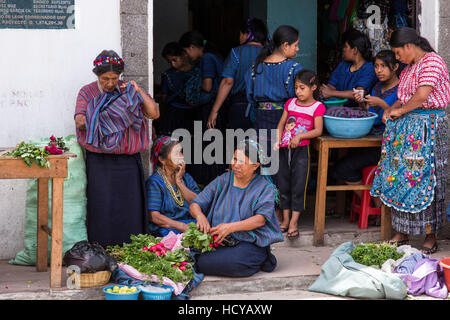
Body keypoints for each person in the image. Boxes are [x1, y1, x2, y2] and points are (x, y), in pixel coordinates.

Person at [371, 27, 450, 254]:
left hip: (428, 130)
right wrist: (391, 110)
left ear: (408, 46)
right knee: (402, 180)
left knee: (427, 180)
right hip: (407, 132)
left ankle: (430, 236)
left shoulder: (432, 62)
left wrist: (401, 110)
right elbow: (402, 98)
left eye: (397, 53)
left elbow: (422, 96)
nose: (397, 58)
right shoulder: (409, 68)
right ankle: (402, 232)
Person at [74, 50, 160, 247]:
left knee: (130, 208)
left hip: (128, 161)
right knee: (101, 208)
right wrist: (113, 117)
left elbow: (153, 113)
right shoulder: (87, 92)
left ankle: (130, 250)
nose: (110, 83)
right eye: (105, 79)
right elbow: (80, 121)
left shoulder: (128, 91)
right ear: (97, 75)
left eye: (114, 78)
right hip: (99, 161)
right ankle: (102, 250)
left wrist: (138, 92)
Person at [189, 138, 284, 277]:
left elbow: (260, 220)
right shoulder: (224, 179)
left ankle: (260, 257)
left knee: (235, 262)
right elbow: (196, 204)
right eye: (234, 159)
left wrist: (230, 227)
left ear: (255, 165)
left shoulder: (265, 188)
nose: (235, 165)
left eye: (241, 162)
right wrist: (200, 216)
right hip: (219, 241)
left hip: (248, 242)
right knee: (192, 251)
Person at [333, 50, 400, 204]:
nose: (379, 70)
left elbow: (395, 116)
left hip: (386, 146)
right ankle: (371, 206)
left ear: (395, 67)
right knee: (342, 163)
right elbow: (369, 114)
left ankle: (373, 207)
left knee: (343, 168)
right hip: (369, 140)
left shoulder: (401, 90)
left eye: (383, 66)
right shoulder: (376, 87)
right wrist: (361, 102)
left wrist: (381, 103)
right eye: (376, 66)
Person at [273, 70, 325, 239]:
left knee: (298, 186)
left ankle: (294, 222)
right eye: (296, 88)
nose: (298, 92)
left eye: (302, 88)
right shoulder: (291, 103)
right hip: (284, 149)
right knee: (283, 185)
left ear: (313, 87)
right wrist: (277, 140)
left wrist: (300, 136)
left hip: (301, 151)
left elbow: (318, 130)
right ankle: (286, 220)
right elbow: (281, 123)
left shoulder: (317, 107)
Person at [179, 31, 225, 186]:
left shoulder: (206, 58)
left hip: (209, 108)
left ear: (192, 47)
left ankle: (207, 185)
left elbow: (207, 86)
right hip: (217, 108)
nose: (186, 56)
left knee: (208, 149)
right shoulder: (215, 57)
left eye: (185, 52)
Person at [207, 18, 268, 131]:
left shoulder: (237, 52)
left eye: (240, 34)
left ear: (247, 35)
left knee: (237, 146)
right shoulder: (270, 53)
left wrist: (214, 110)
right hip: (265, 108)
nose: (239, 37)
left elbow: (227, 81)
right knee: (262, 146)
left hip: (240, 106)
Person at [146, 136, 200, 237]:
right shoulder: (155, 182)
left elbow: (199, 203)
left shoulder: (186, 178)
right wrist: (182, 226)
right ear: (162, 160)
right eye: (176, 153)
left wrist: (179, 182)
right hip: (169, 229)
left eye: (181, 151)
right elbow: (154, 216)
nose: (181, 156)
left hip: (190, 224)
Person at [320, 29, 378, 108]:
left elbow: (358, 93)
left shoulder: (369, 68)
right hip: (337, 107)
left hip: (357, 111)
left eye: (346, 47)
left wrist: (331, 93)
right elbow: (331, 86)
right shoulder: (343, 65)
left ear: (354, 50)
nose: (343, 49)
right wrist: (324, 90)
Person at [157, 42, 197, 136]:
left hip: (192, 113)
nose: (173, 64)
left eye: (175, 60)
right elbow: (164, 97)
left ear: (183, 55)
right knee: (173, 146)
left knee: (191, 144)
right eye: (169, 62)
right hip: (173, 114)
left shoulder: (196, 72)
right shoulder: (167, 75)